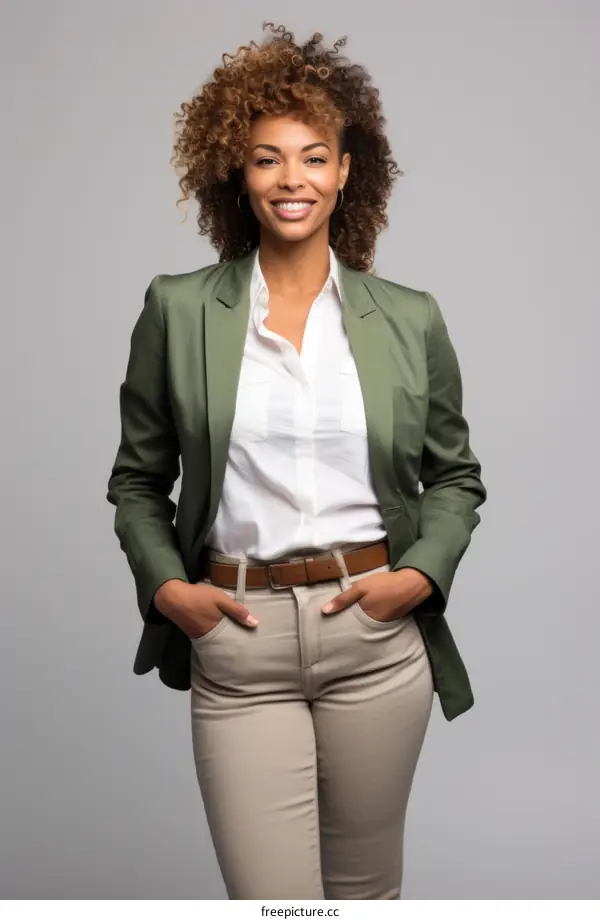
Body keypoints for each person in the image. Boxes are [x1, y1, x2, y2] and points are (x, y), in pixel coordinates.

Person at [106, 22, 487, 901]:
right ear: (237, 175)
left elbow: (456, 477)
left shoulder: (409, 317)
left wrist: (419, 576)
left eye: (314, 158)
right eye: (268, 159)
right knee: (274, 901)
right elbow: (136, 480)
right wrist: (168, 588)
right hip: (239, 641)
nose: (293, 180)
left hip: (375, 634)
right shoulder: (178, 310)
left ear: (347, 171)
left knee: (363, 894)